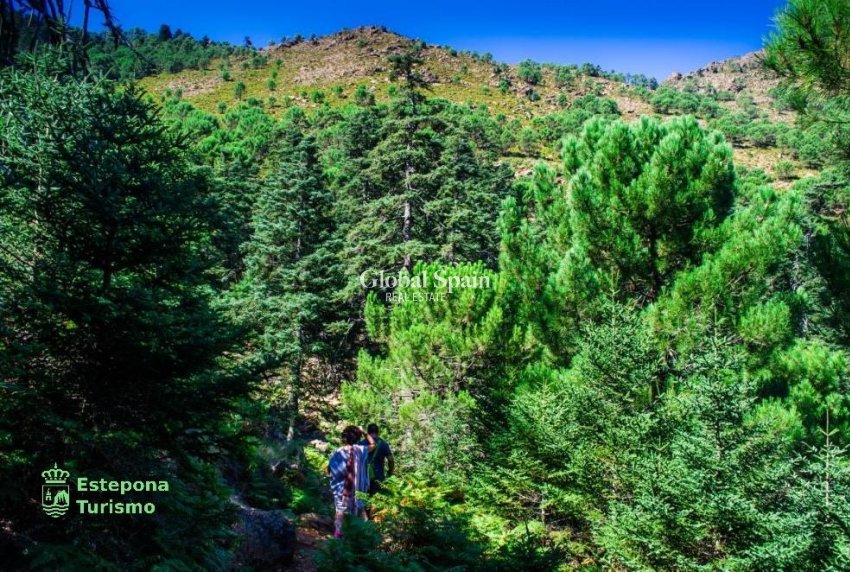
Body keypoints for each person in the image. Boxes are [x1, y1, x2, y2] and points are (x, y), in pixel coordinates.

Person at [328, 425, 375, 538]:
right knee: (361, 509)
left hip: (341, 489)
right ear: (358, 438)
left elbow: (330, 469)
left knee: (340, 511)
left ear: (344, 438)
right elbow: (373, 445)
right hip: (360, 488)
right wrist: (364, 431)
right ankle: (363, 537)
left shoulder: (337, 452)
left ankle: (338, 535)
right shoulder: (361, 450)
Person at [360, 423, 394, 495]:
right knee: (377, 501)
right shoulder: (383, 444)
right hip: (378, 476)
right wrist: (390, 471)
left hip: (363, 476)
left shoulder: (361, 443)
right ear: (378, 432)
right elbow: (390, 459)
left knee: (363, 499)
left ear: (368, 432)